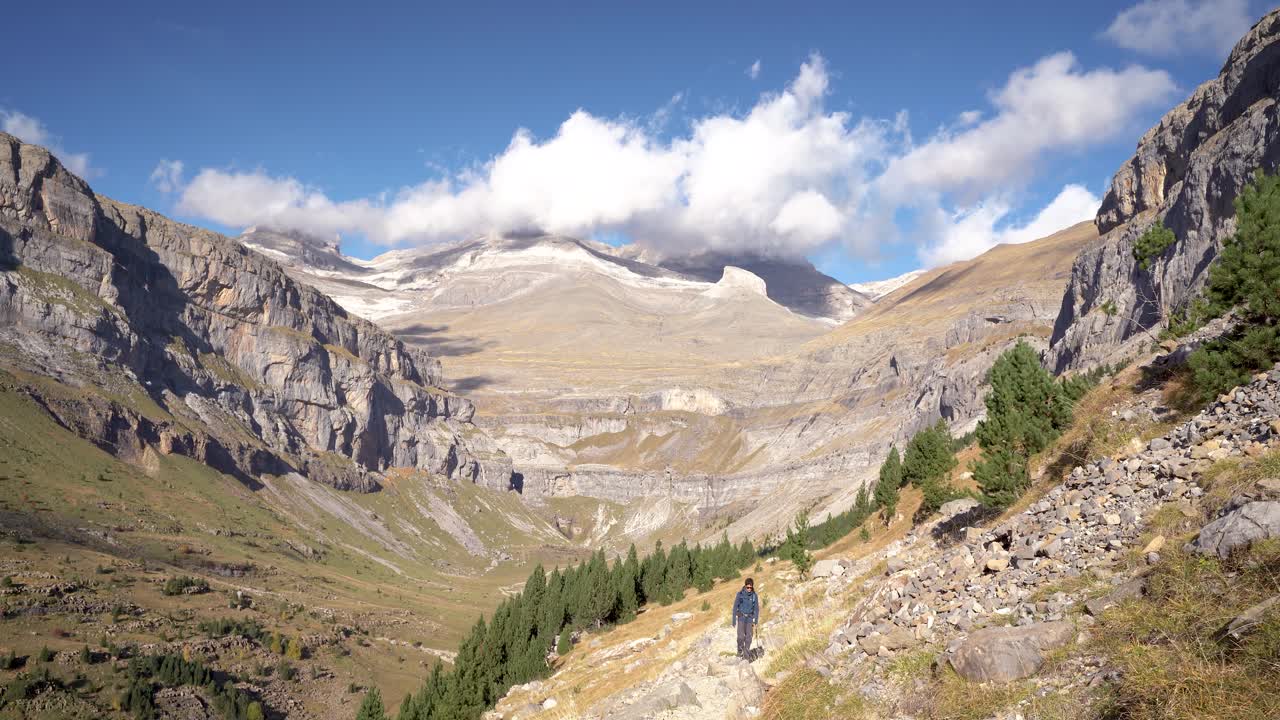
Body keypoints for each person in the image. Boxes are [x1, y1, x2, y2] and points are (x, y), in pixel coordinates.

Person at [731, 577, 759, 659]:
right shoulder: (740, 594)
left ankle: (746, 657)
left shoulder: (754, 596)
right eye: (748, 587)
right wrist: (733, 620)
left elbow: (756, 609)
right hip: (741, 617)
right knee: (740, 637)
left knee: (748, 638)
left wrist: (756, 620)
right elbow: (735, 607)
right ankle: (740, 651)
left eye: (751, 587)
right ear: (745, 586)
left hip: (750, 619)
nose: (749, 589)